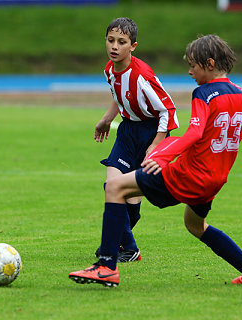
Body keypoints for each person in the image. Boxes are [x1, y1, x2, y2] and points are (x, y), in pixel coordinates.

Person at [69, 34, 242, 287]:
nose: (189, 71)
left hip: (190, 174)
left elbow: (195, 133)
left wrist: (161, 154)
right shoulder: (241, 95)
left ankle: (107, 266)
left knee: (115, 186)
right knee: (195, 225)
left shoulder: (204, 93)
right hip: (216, 179)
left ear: (209, 64)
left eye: (193, 65)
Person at [93, 17, 179, 263]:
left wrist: (156, 144)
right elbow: (117, 93)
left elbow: (168, 110)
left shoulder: (141, 75)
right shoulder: (110, 69)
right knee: (112, 186)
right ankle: (128, 247)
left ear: (133, 46)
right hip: (128, 132)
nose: (114, 46)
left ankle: (119, 244)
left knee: (131, 198)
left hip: (152, 133)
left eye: (122, 42)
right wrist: (107, 118)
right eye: (111, 40)